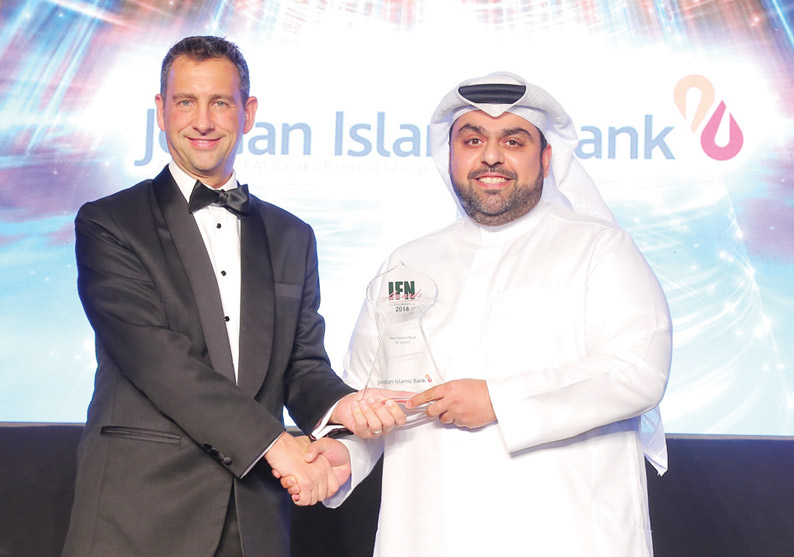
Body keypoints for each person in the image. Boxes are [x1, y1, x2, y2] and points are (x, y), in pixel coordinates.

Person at [62, 36, 404, 557]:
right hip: (139, 514)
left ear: (248, 113)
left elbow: (302, 365)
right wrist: (276, 445)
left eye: (220, 102)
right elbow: (158, 361)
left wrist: (344, 406)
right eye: (186, 101)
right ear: (161, 111)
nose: (203, 121)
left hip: (253, 520)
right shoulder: (110, 223)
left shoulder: (292, 236)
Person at [308, 72, 672, 556]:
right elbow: (372, 395)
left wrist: (498, 400)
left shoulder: (599, 247)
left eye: (513, 141)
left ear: (546, 158)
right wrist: (347, 452)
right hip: (430, 533)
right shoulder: (407, 263)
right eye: (473, 140)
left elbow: (639, 372)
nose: (491, 156)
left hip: (565, 535)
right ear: (450, 155)